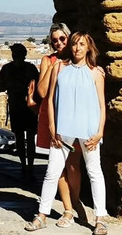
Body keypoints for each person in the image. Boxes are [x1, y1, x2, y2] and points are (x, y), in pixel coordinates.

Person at [26, 32, 108, 234]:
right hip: (63, 129)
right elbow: (51, 98)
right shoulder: (59, 67)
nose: (77, 48)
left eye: (82, 44)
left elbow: (101, 105)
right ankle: (42, 214)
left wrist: (99, 132)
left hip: (88, 130)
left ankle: (100, 218)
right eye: (74, 44)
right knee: (52, 172)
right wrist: (52, 127)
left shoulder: (96, 73)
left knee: (94, 172)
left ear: (89, 47)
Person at [34, 23, 82, 223]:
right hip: (53, 118)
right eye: (55, 40)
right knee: (58, 167)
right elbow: (42, 92)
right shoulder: (49, 60)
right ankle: (68, 209)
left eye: (62, 39)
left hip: (74, 117)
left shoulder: (78, 60)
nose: (59, 43)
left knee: (73, 165)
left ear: (69, 38)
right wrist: (53, 67)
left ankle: (76, 200)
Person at [0, 43, 39, 179]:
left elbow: (0, 88)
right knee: (28, 138)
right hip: (28, 107)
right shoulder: (31, 68)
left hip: (18, 107)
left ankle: (25, 166)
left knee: (21, 139)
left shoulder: (7, 69)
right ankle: (29, 166)